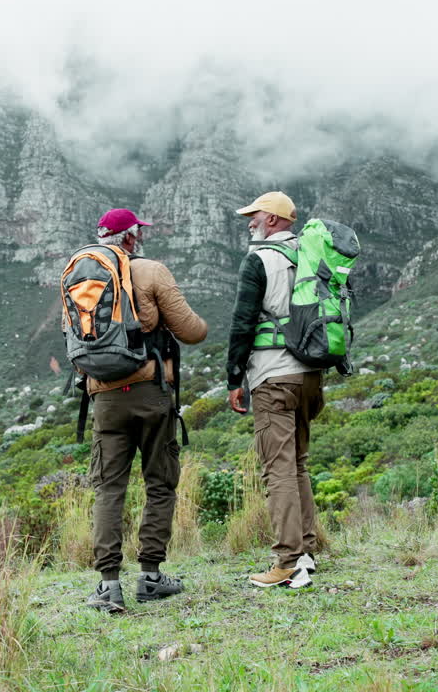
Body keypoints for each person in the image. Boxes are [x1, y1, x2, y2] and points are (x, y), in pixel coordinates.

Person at [83, 208, 208, 613]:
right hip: (151, 392)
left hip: (104, 398)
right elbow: (192, 331)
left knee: (109, 488)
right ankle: (151, 577)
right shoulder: (152, 271)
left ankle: (108, 586)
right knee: (160, 482)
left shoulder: (83, 276)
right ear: (132, 238)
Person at [226, 191, 321, 589]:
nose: (250, 222)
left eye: (256, 215)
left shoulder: (260, 258)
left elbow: (243, 322)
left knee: (277, 469)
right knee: (297, 463)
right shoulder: (313, 256)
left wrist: (234, 378)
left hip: (273, 376)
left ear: (275, 219)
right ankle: (309, 552)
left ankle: (287, 561)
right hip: (311, 375)